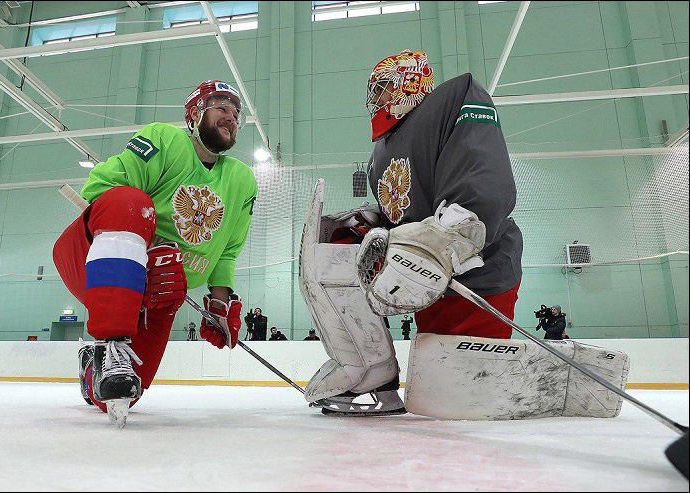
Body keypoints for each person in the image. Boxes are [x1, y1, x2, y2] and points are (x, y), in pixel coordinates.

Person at [299, 50, 522, 416]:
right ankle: (371, 373)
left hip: (476, 274)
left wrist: (455, 230)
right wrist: (370, 226)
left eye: (385, 88)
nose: (377, 99)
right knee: (435, 402)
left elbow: (479, 171)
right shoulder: (379, 154)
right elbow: (400, 211)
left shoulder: (454, 99)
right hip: (430, 283)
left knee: (462, 404)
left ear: (410, 82)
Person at [54, 80, 257, 427]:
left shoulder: (242, 180)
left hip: (160, 296)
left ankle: (93, 366)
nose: (231, 116)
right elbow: (101, 188)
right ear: (194, 114)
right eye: (221, 107)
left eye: (236, 113)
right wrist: (152, 250)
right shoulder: (166, 139)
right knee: (130, 201)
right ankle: (110, 342)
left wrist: (220, 303)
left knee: (122, 391)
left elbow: (228, 251)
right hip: (88, 259)